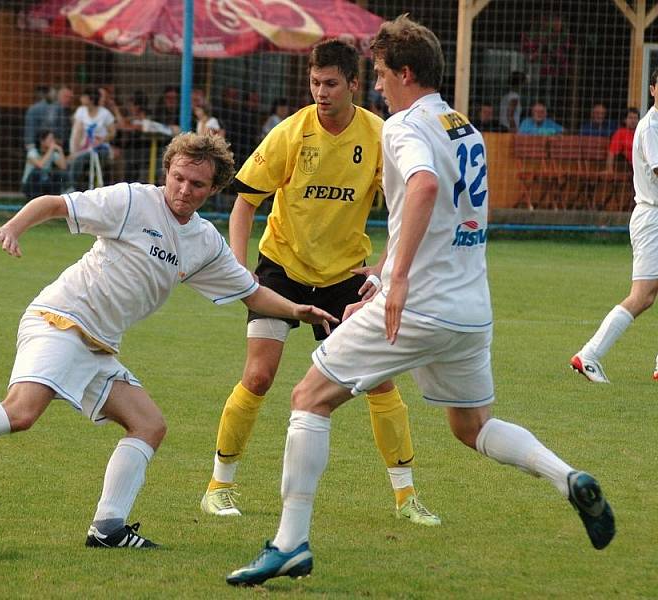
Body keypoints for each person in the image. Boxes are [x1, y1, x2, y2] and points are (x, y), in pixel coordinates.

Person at [227, 15, 614, 587]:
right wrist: (383, 273)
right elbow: (440, 212)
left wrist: (396, 282)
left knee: (309, 397)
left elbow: (425, 187)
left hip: (419, 307)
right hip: (469, 309)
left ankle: (289, 544)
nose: (377, 86)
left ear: (405, 72)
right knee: (473, 426)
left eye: (382, 74)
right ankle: (568, 478)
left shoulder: (402, 127)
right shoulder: (465, 128)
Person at [0, 132, 338, 549]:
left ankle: (107, 527)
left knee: (149, 425)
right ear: (167, 171)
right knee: (22, 411)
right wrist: (13, 226)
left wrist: (296, 309)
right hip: (60, 319)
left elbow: (251, 291)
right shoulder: (133, 200)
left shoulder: (204, 243)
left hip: (97, 345)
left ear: (214, 189)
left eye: (197, 185)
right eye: (177, 178)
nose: (183, 190)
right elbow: (55, 204)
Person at [200, 38, 440, 527]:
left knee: (378, 380)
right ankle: (218, 486)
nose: (321, 92)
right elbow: (245, 202)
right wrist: (241, 268)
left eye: (331, 83)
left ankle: (407, 497)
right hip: (282, 270)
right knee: (259, 376)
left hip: (343, 276)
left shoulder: (381, 136)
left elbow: (405, 207)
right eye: (314, 83)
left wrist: (387, 266)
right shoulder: (291, 133)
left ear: (354, 84)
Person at [571, 78, 658, 383]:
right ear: (652, 89)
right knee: (642, 296)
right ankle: (589, 354)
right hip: (652, 218)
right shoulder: (650, 127)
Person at [67, 87, 115, 191]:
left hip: (100, 148)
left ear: (91, 99)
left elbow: (113, 132)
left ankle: (72, 188)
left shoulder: (105, 113)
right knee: (75, 159)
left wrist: (102, 139)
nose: (81, 98)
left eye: (84, 96)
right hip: (84, 147)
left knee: (78, 159)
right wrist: (75, 150)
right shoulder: (81, 111)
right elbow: (77, 132)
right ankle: (76, 187)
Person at [21, 129, 68, 199]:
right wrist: (51, 149)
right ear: (42, 141)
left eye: (53, 139)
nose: (53, 141)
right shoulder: (32, 152)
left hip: (45, 183)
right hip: (30, 185)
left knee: (58, 175)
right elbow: (40, 165)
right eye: (50, 139)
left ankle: (56, 198)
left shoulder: (52, 153)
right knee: (37, 172)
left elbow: (63, 167)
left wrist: (60, 150)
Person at [606, 107, 639, 172]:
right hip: (627, 167)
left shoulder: (641, 133)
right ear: (625, 120)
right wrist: (609, 169)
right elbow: (612, 152)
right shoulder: (620, 133)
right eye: (630, 118)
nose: (633, 121)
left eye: (635, 118)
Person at [22, 85, 53, 151]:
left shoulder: (33, 109)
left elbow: (30, 129)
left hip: (37, 144)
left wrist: (30, 147)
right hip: (51, 144)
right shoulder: (53, 107)